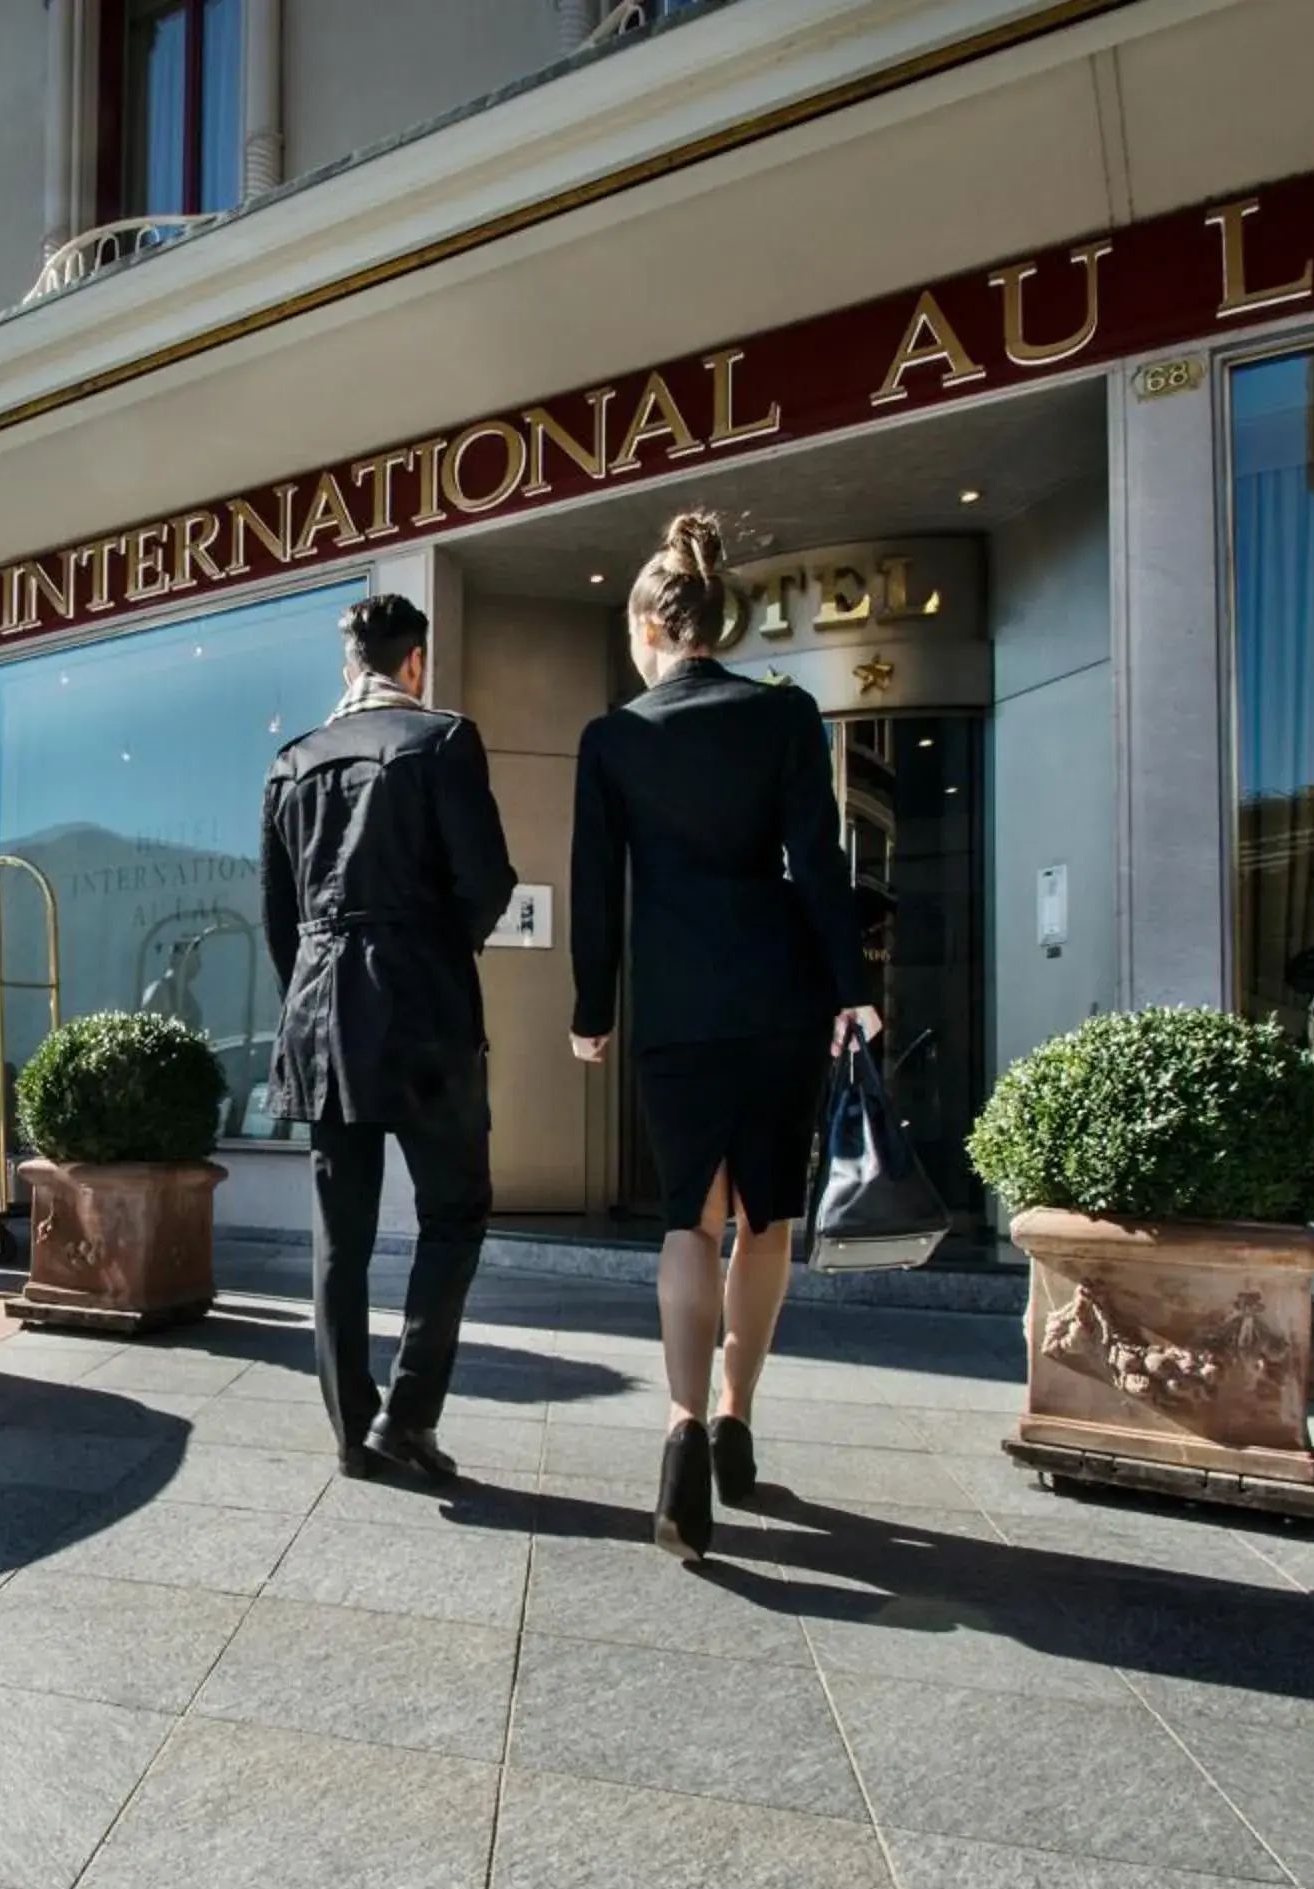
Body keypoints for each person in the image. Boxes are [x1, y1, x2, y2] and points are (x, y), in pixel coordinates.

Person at [569, 511, 881, 1561]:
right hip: (779, 994)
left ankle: (683, 1434)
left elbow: (595, 890)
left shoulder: (613, 738)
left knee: (687, 1223)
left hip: (677, 1002)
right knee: (766, 1218)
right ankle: (738, 1420)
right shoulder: (785, 716)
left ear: (649, 626)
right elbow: (819, 862)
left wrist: (592, 1010)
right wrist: (851, 988)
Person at [262, 592, 518, 1484]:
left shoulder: (292, 761)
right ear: (416, 663)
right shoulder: (442, 741)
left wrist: (310, 994)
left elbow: (278, 918)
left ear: (350, 667)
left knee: (342, 1234)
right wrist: (440, 945)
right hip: (425, 1009)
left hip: (322, 1010)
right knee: (455, 1210)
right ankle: (406, 1416)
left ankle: (350, 1428)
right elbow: (488, 880)